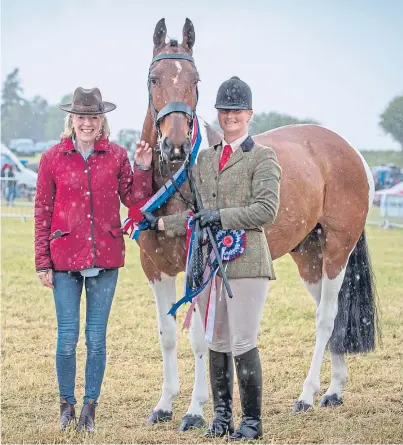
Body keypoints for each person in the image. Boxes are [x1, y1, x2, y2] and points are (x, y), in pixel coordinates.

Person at [144, 76, 281, 440]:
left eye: (237, 111)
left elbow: (266, 210)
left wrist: (222, 218)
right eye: (224, 111)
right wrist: (158, 221)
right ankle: (221, 417)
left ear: (249, 114)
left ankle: (251, 420)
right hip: (210, 264)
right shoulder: (203, 159)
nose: (230, 116)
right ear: (217, 114)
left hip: (247, 261)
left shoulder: (263, 157)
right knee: (216, 340)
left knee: (242, 340)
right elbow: (194, 214)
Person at [34, 87, 153, 432]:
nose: (87, 123)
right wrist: (42, 261)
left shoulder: (116, 156)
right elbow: (42, 211)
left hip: (105, 257)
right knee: (67, 338)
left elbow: (134, 200)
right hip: (64, 259)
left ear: (102, 121)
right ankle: (66, 404)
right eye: (81, 117)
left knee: (96, 338)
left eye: (93, 117)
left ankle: (90, 407)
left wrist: (142, 168)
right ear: (72, 120)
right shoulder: (52, 158)